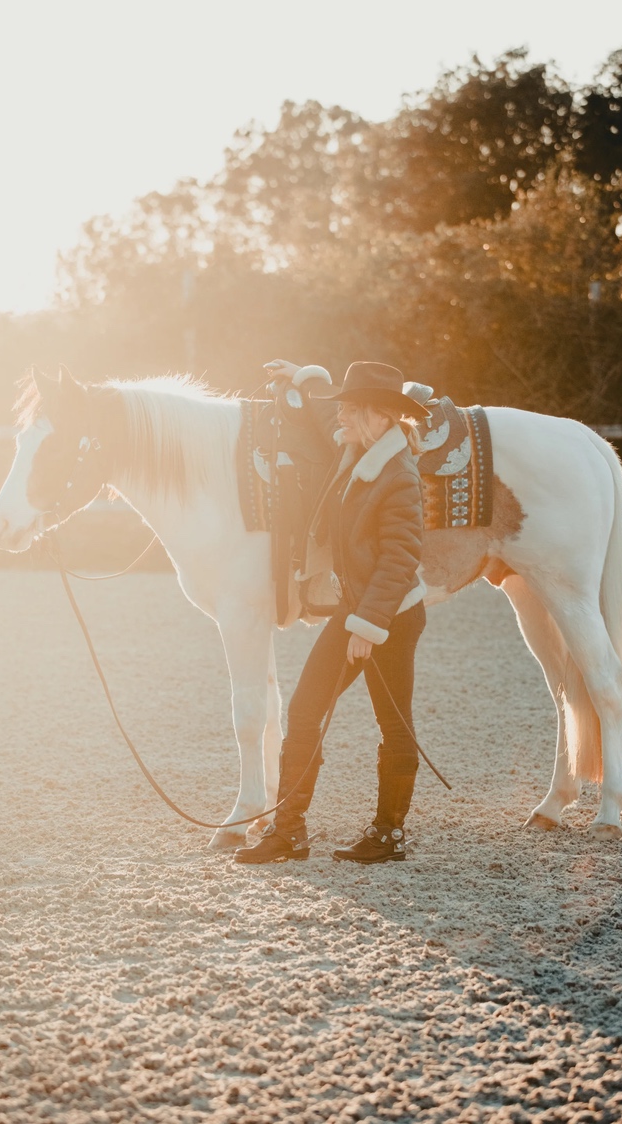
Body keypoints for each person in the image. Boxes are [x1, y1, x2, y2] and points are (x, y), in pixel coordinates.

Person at [235, 360, 429, 866]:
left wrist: (369, 625)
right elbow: (327, 423)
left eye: (349, 408)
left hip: (390, 617)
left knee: (393, 724)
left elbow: (401, 557)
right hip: (355, 608)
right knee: (304, 712)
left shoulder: (399, 475)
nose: (339, 415)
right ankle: (289, 831)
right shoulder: (359, 448)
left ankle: (388, 834)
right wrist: (305, 376)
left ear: (379, 417)